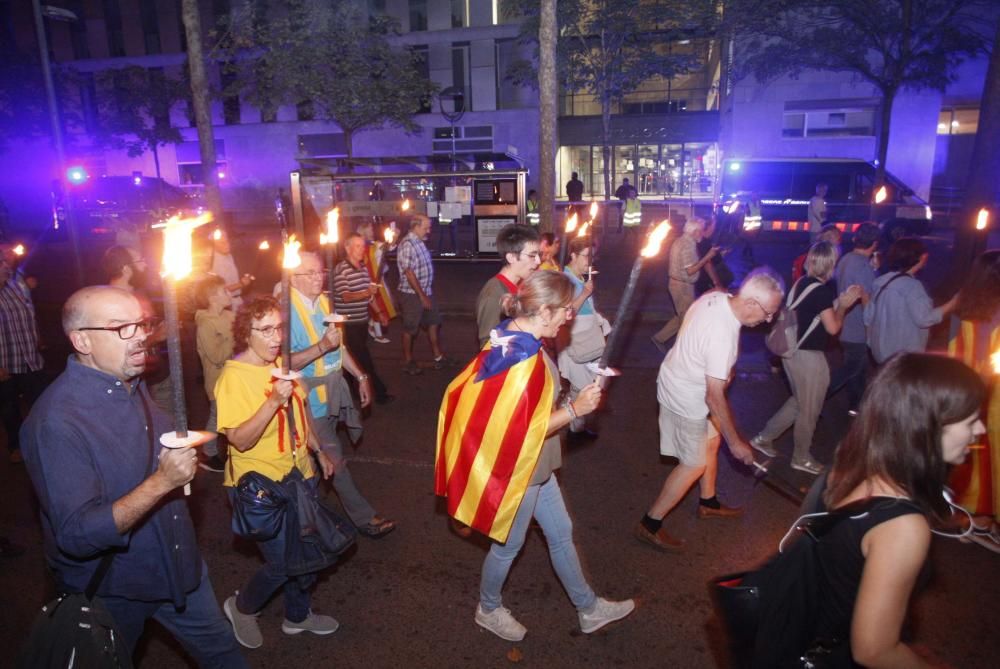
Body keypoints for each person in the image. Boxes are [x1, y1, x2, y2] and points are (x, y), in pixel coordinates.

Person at [20, 285, 246, 666]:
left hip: (179, 567)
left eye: (141, 324)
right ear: (82, 340)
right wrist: (162, 481)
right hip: (115, 589)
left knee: (224, 654)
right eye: (121, 327)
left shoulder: (131, 384)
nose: (140, 335)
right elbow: (77, 535)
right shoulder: (56, 422)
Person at [436, 271, 635, 642]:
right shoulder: (521, 358)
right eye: (564, 310)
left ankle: (588, 608)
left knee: (561, 533)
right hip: (520, 469)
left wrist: (572, 396)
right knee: (508, 545)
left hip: (536, 464)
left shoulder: (514, 336)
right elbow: (520, 429)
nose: (568, 316)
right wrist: (574, 409)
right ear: (543, 311)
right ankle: (488, 608)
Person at [791, 353, 986, 667]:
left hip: (807, 627)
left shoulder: (850, 463)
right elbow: (874, 650)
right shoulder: (903, 526)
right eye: (970, 420)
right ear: (927, 428)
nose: (980, 430)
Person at [215, 296, 339, 649]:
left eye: (279, 328)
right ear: (246, 332)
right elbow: (238, 439)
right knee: (283, 564)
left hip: (300, 477)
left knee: (309, 554)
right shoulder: (234, 377)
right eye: (265, 330)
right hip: (262, 487)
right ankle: (241, 607)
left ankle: (297, 617)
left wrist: (318, 451)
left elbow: (301, 413)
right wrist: (272, 402)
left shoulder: (279, 365)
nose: (275, 337)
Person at [636, 269, 784, 551]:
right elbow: (714, 396)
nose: (768, 319)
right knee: (694, 463)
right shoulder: (723, 336)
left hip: (682, 378)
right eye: (768, 312)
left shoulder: (717, 296)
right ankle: (649, 524)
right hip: (685, 394)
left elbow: (707, 295)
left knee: (711, 442)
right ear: (751, 302)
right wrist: (737, 443)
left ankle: (708, 502)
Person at [289, 252, 396, 538]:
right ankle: (363, 518)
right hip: (309, 397)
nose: (317, 277)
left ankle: (302, 514)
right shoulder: (285, 313)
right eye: (309, 273)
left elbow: (340, 347)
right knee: (333, 457)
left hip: (334, 389)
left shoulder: (323, 302)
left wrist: (361, 376)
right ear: (293, 278)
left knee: (311, 457)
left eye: (318, 271)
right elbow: (285, 363)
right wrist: (323, 346)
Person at [750, 242, 863, 475]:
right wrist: (842, 306)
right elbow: (832, 328)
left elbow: (811, 315)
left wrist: (836, 304)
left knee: (800, 401)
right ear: (832, 266)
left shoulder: (802, 283)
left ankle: (763, 438)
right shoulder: (822, 291)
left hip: (791, 353)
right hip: (808, 356)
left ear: (810, 261)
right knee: (810, 409)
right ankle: (801, 457)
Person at [947, 250, 1000, 542]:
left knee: (971, 456)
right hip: (992, 398)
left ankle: (973, 515)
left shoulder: (965, 305)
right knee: (989, 459)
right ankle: (982, 518)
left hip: (967, 390)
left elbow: (956, 349)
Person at [864, 237, 958, 364]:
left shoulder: (880, 281)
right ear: (922, 257)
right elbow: (925, 319)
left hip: (880, 353)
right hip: (902, 357)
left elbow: (868, 317)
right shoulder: (912, 286)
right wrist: (953, 302)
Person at [558, 237, 610, 442]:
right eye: (586, 256)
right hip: (576, 341)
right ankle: (573, 424)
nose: (590, 261)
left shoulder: (579, 277)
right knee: (583, 386)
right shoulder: (566, 279)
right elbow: (568, 312)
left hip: (588, 338)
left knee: (596, 383)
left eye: (592, 256)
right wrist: (586, 292)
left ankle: (573, 419)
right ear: (573, 255)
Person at [826, 223, 879, 416]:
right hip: (857, 327)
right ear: (874, 244)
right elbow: (868, 299)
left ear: (855, 239)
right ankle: (816, 397)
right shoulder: (864, 267)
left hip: (844, 323)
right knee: (850, 368)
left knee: (858, 368)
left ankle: (856, 405)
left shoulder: (845, 259)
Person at [0, 243, 46, 464]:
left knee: (39, 401)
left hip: (29, 355)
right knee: (9, 407)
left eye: (7, 258)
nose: (7, 263)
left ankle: (42, 442)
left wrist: (37, 337)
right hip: (6, 359)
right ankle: (15, 446)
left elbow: (28, 312)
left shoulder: (17, 279)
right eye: (2, 260)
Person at [334, 233, 393, 404]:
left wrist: (379, 312)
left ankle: (349, 396)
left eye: (363, 246)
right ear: (347, 247)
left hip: (361, 323)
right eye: (357, 246)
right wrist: (368, 292)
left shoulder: (362, 268)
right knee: (363, 360)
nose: (362, 250)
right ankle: (379, 393)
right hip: (348, 325)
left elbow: (370, 296)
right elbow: (346, 296)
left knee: (352, 361)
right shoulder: (341, 270)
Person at [651, 217, 719, 352]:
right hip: (682, 287)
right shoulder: (688, 245)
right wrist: (708, 256)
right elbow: (690, 270)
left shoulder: (681, 240)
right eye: (700, 230)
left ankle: (659, 338)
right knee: (687, 320)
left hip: (679, 285)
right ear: (694, 231)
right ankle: (682, 351)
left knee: (683, 315)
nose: (702, 233)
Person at [397, 214, 454, 374]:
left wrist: (426, 293)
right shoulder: (408, 244)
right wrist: (422, 296)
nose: (428, 231)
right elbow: (408, 272)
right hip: (411, 295)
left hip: (426, 291)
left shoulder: (419, 241)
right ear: (415, 227)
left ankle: (438, 356)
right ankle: (408, 361)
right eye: (426, 227)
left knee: (434, 322)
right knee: (410, 328)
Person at [475, 224, 540, 347]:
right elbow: (488, 346)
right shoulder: (494, 295)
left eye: (538, 255)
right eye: (532, 255)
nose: (538, 261)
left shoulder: (519, 287)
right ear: (511, 257)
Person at [195, 274, 235, 473]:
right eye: (224, 291)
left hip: (233, 377)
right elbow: (217, 356)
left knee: (232, 415)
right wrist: (231, 336)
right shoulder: (205, 324)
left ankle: (235, 448)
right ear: (212, 297)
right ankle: (208, 453)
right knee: (217, 418)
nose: (230, 293)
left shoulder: (227, 316)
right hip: (217, 381)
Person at [358, 220, 397, 344]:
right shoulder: (358, 246)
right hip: (364, 281)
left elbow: (388, 246)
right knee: (377, 306)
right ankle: (378, 334)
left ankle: (372, 327)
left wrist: (394, 236)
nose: (372, 231)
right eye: (370, 229)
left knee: (384, 304)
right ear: (364, 232)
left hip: (377, 281)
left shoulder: (375, 245)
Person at [208, 228, 253, 310]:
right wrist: (241, 284)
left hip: (237, 300)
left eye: (227, 241)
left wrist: (244, 281)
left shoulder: (228, 255)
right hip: (227, 304)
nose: (227, 244)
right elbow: (221, 289)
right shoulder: (215, 263)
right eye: (222, 243)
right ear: (214, 245)